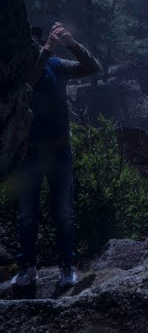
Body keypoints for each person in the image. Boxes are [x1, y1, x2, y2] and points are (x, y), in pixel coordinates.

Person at [10, 22, 101, 289]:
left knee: (64, 213)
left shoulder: (56, 65)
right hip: (28, 154)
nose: (36, 46)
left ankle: (67, 266)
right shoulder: (20, 71)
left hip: (60, 152)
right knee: (27, 215)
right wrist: (48, 49)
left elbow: (93, 68)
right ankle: (27, 268)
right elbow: (30, 79)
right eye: (32, 44)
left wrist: (72, 44)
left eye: (38, 42)